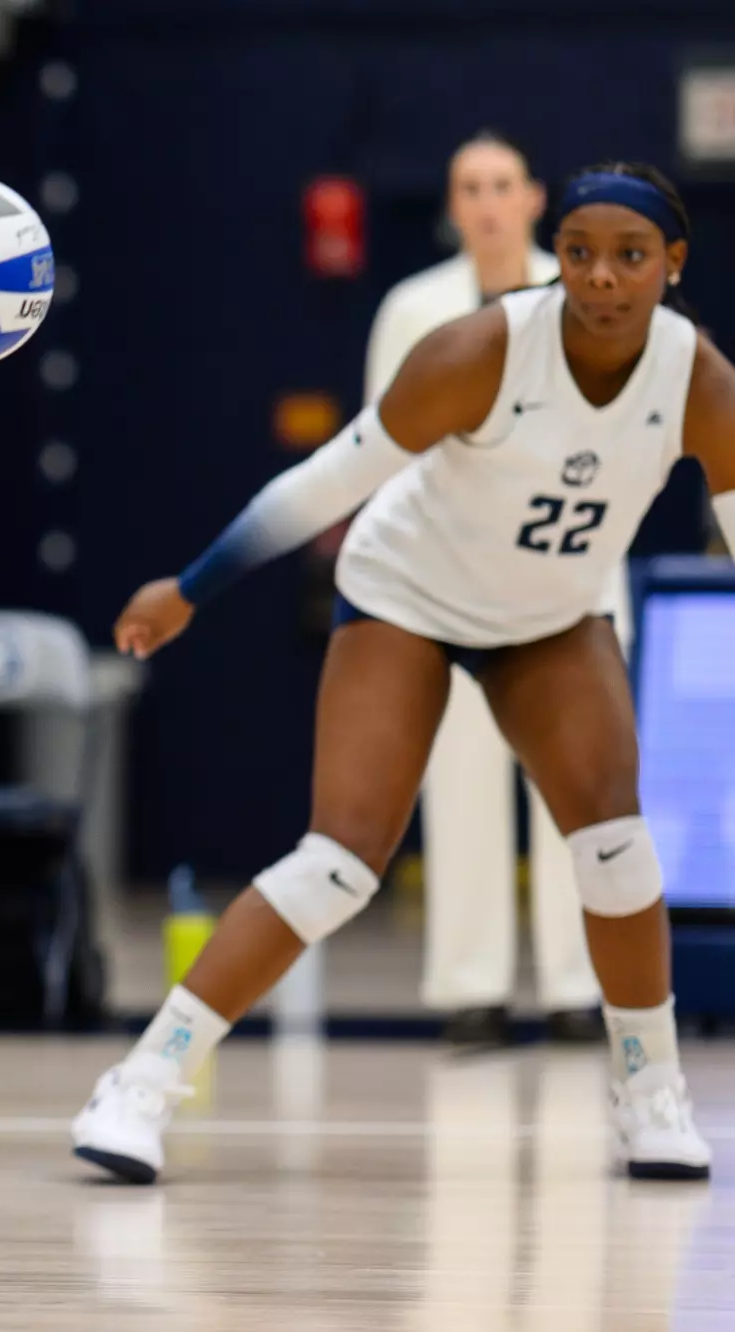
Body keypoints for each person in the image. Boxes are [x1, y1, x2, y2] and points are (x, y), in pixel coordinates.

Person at [72, 162, 735, 1186]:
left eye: (630, 257)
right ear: (554, 257)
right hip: (407, 598)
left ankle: (649, 1094)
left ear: (673, 264)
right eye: (580, 254)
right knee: (337, 863)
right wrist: (191, 587)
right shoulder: (478, 350)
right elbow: (326, 482)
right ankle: (141, 1082)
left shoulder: (698, 380)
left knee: (617, 846)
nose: (602, 277)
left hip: (551, 617)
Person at [366, 131, 606, 1045]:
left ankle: (577, 988)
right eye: (471, 187)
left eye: (503, 185)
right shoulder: (412, 308)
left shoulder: (582, 296)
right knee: (461, 780)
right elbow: (385, 445)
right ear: (453, 205)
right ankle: (471, 988)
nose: (489, 202)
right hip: (454, 579)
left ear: (535, 198)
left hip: (563, 573)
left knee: (572, 785)